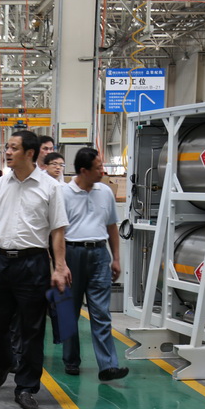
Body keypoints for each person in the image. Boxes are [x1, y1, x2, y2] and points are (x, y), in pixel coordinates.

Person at [0, 130, 71, 409]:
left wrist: (59, 266)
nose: (8, 152)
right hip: (1, 261)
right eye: (7, 147)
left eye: (14, 148)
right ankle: (4, 362)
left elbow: (57, 230)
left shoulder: (50, 187)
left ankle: (26, 386)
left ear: (30, 153)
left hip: (33, 263)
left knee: (32, 329)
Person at [62, 147, 129, 381]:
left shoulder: (105, 192)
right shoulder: (64, 194)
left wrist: (116, 258)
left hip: (100, 254)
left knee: (101, 312)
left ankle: (108, 366)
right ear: (84, 171)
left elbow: (112, 227)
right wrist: (59, 264)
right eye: (99, 168)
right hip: (71, 253)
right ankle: (71, 360)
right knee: (68, 310)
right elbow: (56, 232)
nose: (103, 171)